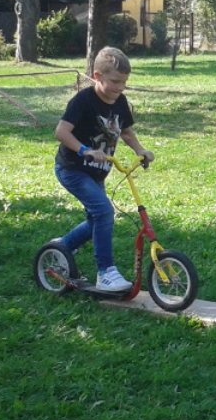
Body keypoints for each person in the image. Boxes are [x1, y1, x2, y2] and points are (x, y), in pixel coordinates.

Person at [53, 47, 154, 293]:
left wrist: (140, 150)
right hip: (73, 169)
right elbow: (61, 132)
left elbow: (126, 131)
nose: (121, 87)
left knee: (97, 217)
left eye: (124, 82)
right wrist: (84, 150)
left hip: (97, 172)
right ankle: (106, 272)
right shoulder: (83, 101)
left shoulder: (120, 102)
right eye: (115, 81)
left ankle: (62, 247)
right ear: (97, 76)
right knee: (103, 211)